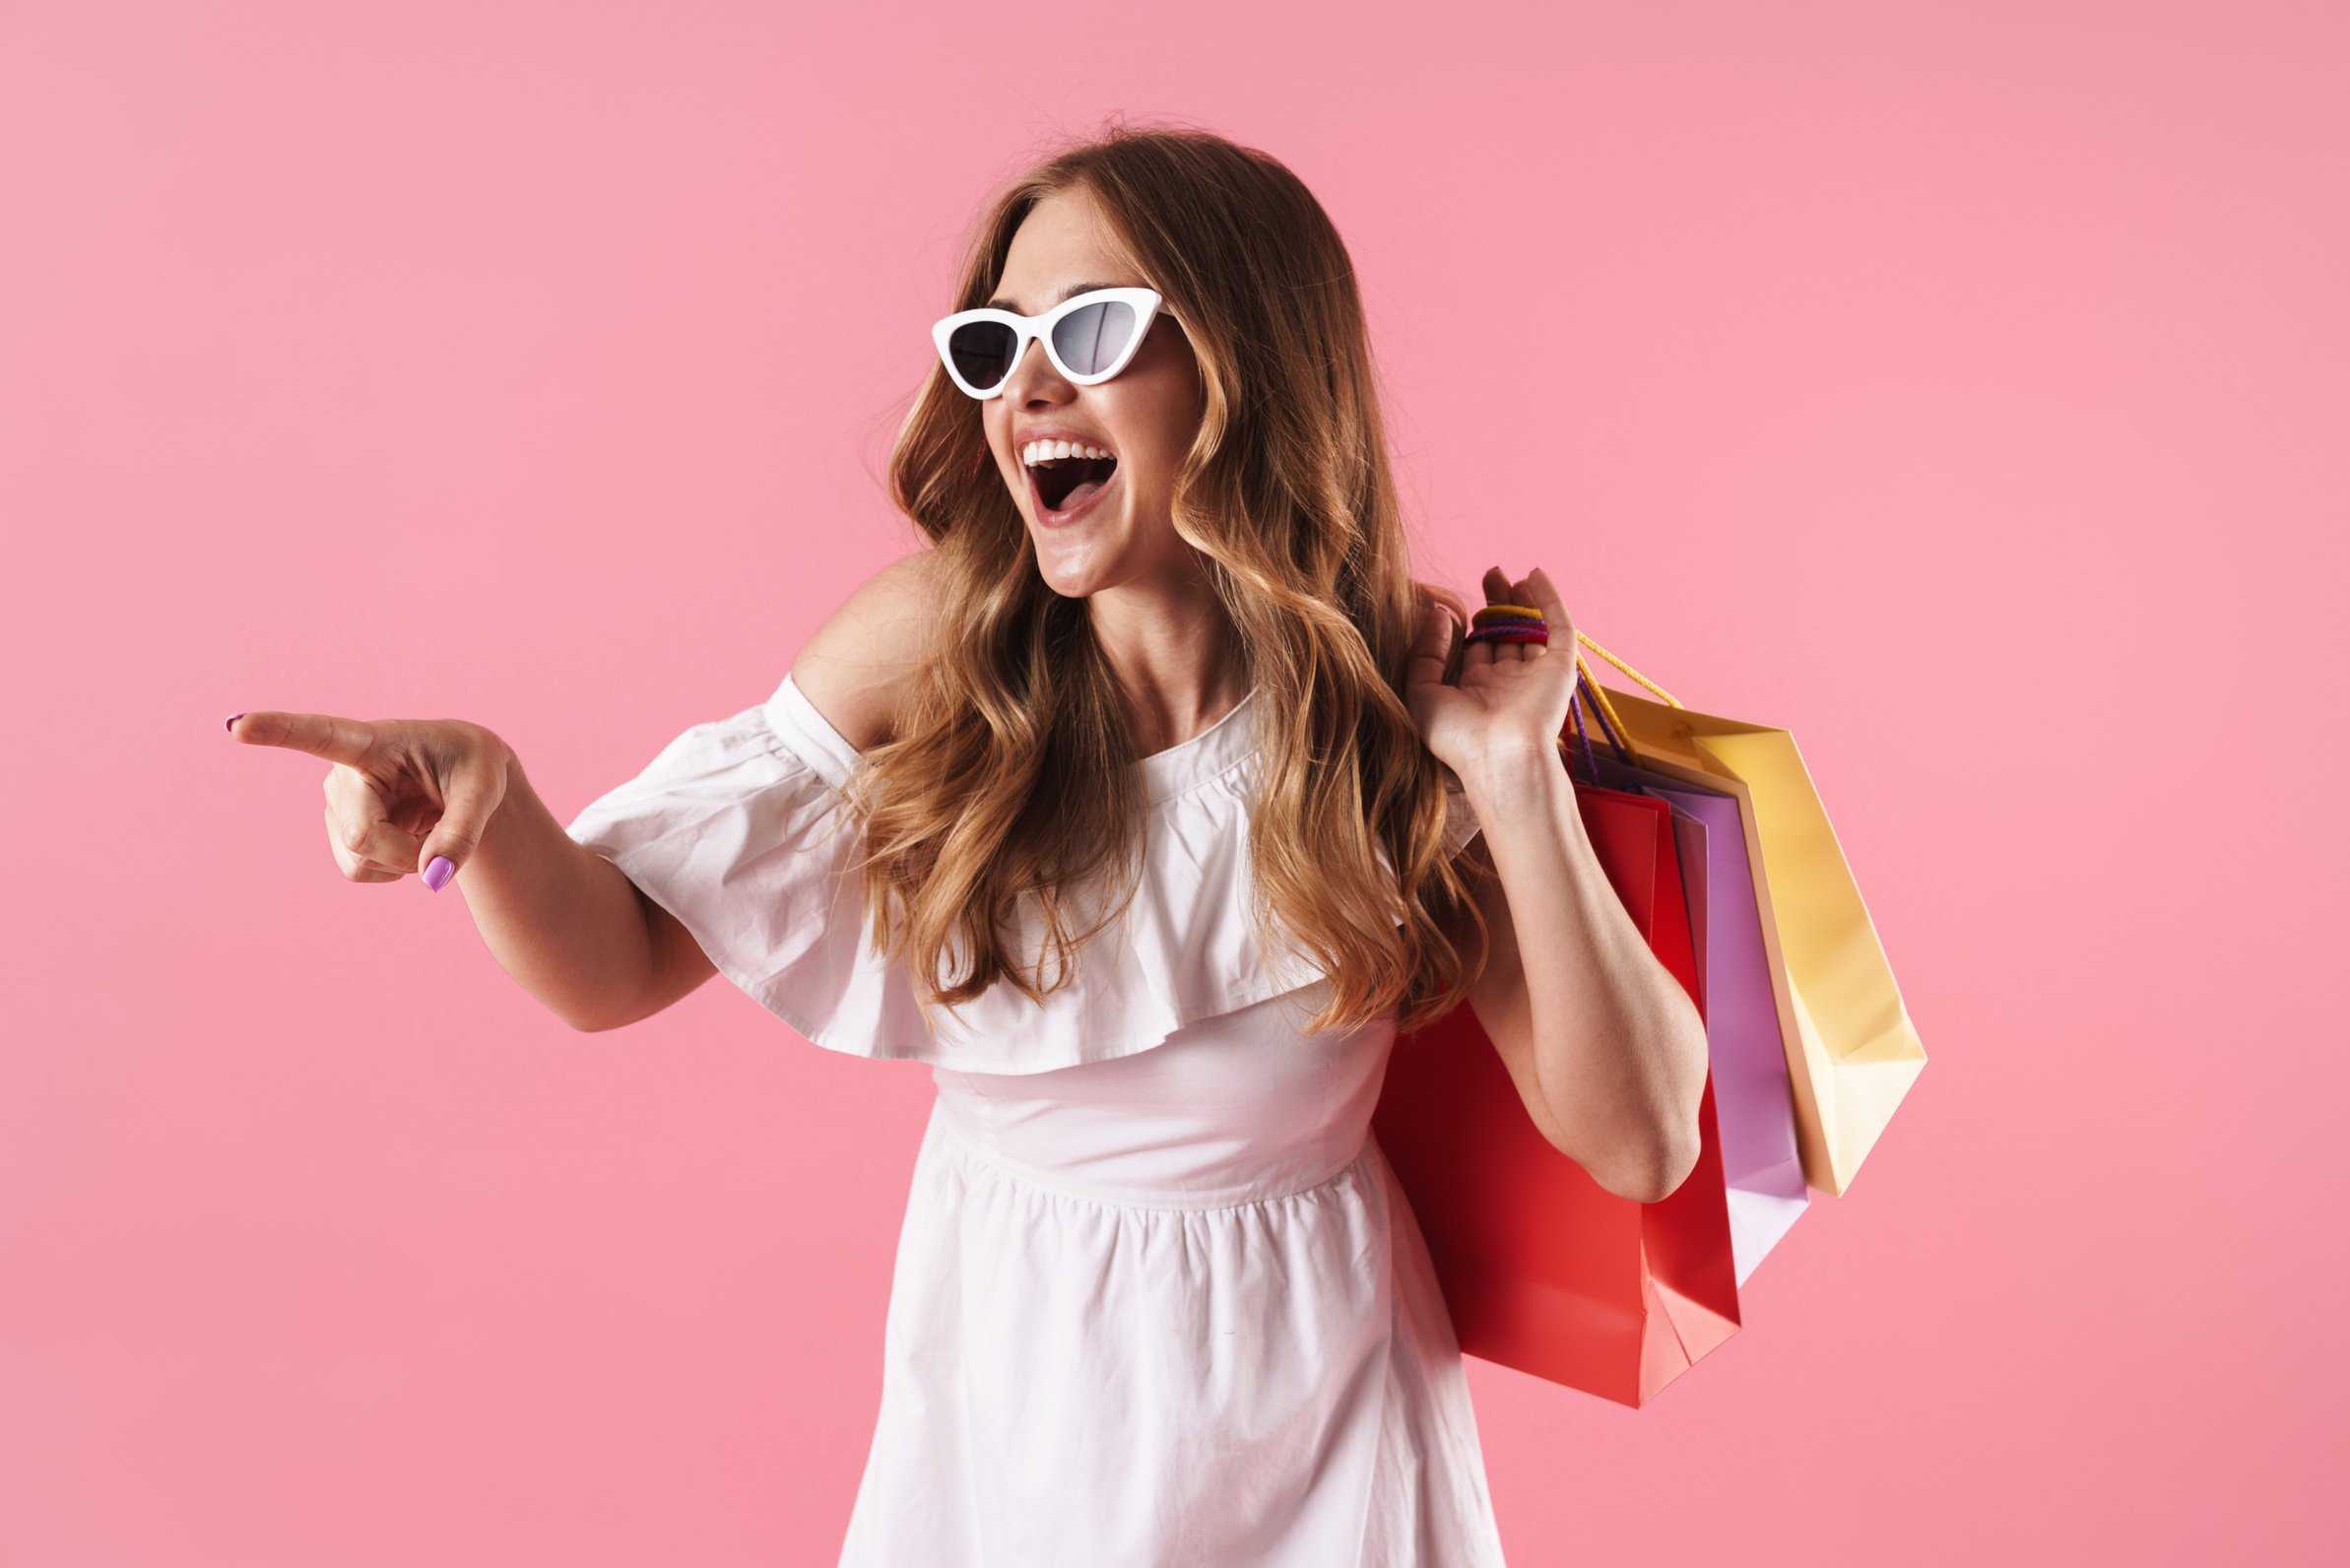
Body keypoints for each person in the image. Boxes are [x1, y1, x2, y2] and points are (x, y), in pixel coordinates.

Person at [230, 122, 1709, 1567]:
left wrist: (1510, 777)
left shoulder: (1388, 676)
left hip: (1324, 1408)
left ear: (1248, 364)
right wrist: (494, 809)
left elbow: (1641, 1139)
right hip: (1015, 1407)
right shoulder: (929, 646)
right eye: (995, 347)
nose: (1028, 389)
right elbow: (611, 962)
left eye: (1097, 325)